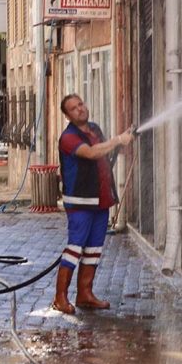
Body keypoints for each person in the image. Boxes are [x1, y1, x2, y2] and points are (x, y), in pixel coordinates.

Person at [52, 94, 134, 314]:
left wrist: (121, 142)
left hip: (101, 200)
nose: (80, 109)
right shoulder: (68, 138)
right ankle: (60, 297)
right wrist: (117, 140)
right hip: (80, 203)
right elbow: (90, 153)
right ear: (67, 115)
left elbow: (104, 152)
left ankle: (85, 294)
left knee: (94, 249)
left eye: (81, 104)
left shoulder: (95, 130)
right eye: (73, 108)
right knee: (75, 248)